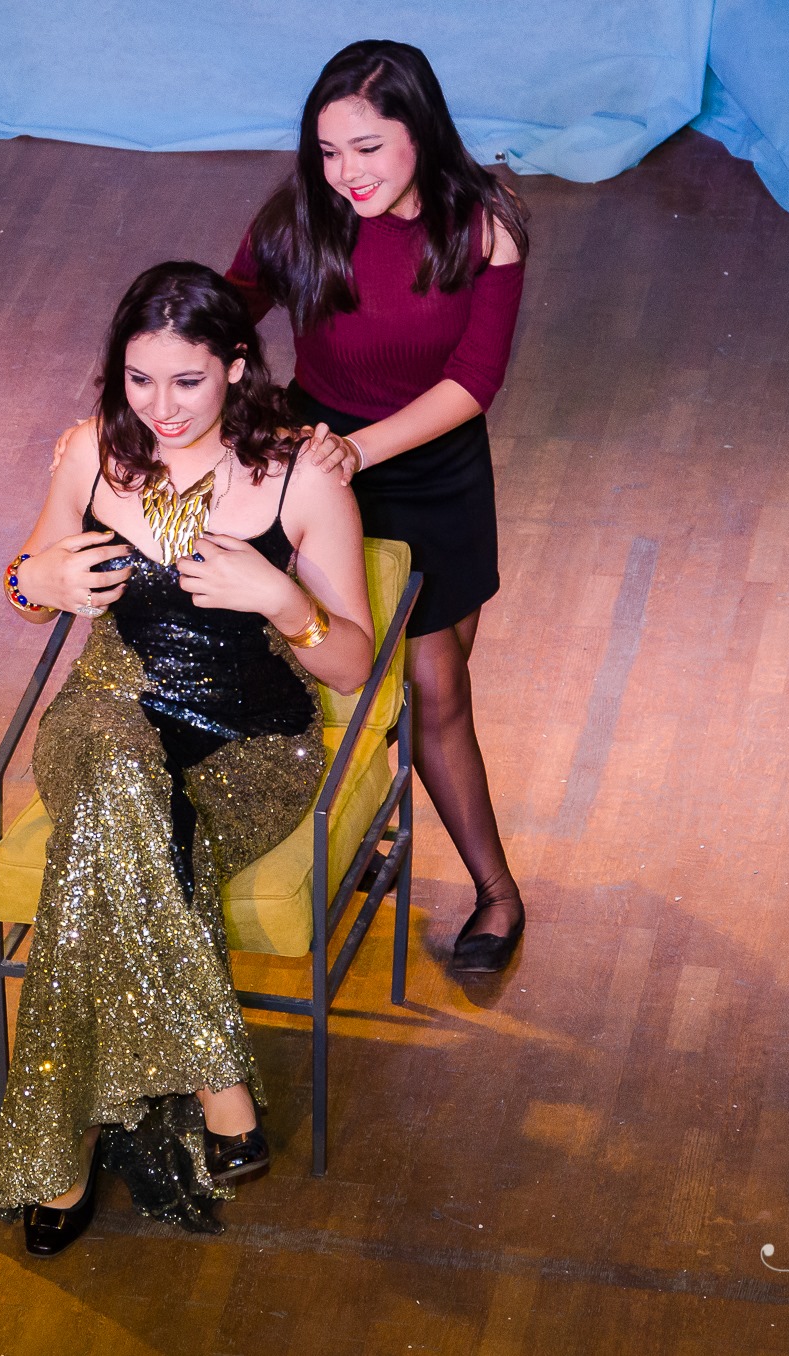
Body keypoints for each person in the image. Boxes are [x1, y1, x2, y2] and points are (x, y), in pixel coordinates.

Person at [0, 261, 373, 1255]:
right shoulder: (90, 453)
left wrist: (284, 601)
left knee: (93, 861)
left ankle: (61, 1156)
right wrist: (34, 580)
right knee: (118, 777)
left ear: (236, 367)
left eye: (187, 381)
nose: (160, 407)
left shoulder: (301, 475)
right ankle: (216, 1078)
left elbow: (349, 665)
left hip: (252, 744)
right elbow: (27, 583)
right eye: (139, 379)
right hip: (109, 707)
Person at [226, 39, 530, 974]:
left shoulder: (484, 226)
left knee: (435, 689)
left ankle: (493, 894)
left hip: (433, 471)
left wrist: (363, 448)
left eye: (366, 148)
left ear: (419, 133)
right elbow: (220, 317)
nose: (345, 173)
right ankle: (461, 877)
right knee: (353, 675)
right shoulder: (297, 220)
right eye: (328, 151)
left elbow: (474, 380)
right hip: (323, 473)